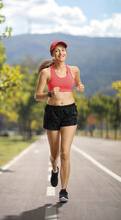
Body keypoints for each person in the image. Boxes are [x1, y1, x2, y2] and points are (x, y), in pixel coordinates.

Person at [34, 41, 85, 203]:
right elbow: (37, 96)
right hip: (52, 113)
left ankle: (63, 190)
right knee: (55, 154)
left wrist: (79, 86)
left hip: (69, 112)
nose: (61, 53)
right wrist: (49, 93)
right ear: (52, 54)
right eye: (57, 51)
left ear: (66, 52)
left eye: (63, 50)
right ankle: (54, 169)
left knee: (65, 153)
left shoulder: (74, 69)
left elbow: (77, 82)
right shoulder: (46, 73)